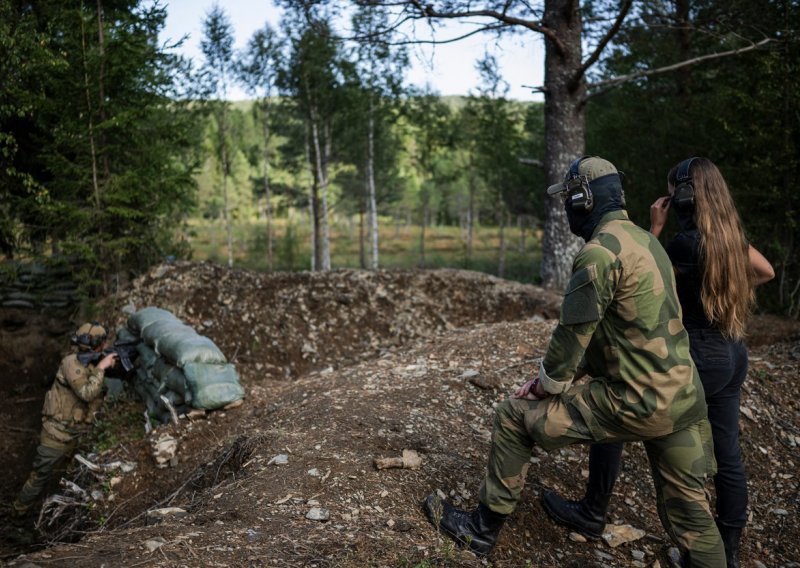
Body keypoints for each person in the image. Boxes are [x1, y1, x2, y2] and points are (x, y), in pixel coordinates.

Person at [422, 156, 725, 567]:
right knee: (694, 519)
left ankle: (479, 533)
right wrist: (569, 375)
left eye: (568, 197)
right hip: (685, 399)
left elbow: (573, 335)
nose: (565, 206)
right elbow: (615, 329)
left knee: (514, 416)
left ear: (584, 198)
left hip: (637, 401)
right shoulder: (647, 241)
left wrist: (546, 384)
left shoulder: (599, 254)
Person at [542, 157, 774, 568]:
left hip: (700, 351)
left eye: (673, 192)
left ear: (685, 194)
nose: (670, 199)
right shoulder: (726, 236)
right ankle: (728, 548)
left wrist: (654, 228)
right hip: (733, 352)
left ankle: (594, 510)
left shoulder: (685, 243)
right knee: (729, 454)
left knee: (615, 400)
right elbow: (766, 271)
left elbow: (643, 271)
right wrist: (721, 289)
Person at [9, 322, 117, 541]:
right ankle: (16, 519)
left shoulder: (89, 362)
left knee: (63, 478)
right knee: (40, 476)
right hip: (56, 435)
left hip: (77, 433)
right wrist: (102, 368)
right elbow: (87, 393)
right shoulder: (71, 363)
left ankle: (52, 517)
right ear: (97, 346)